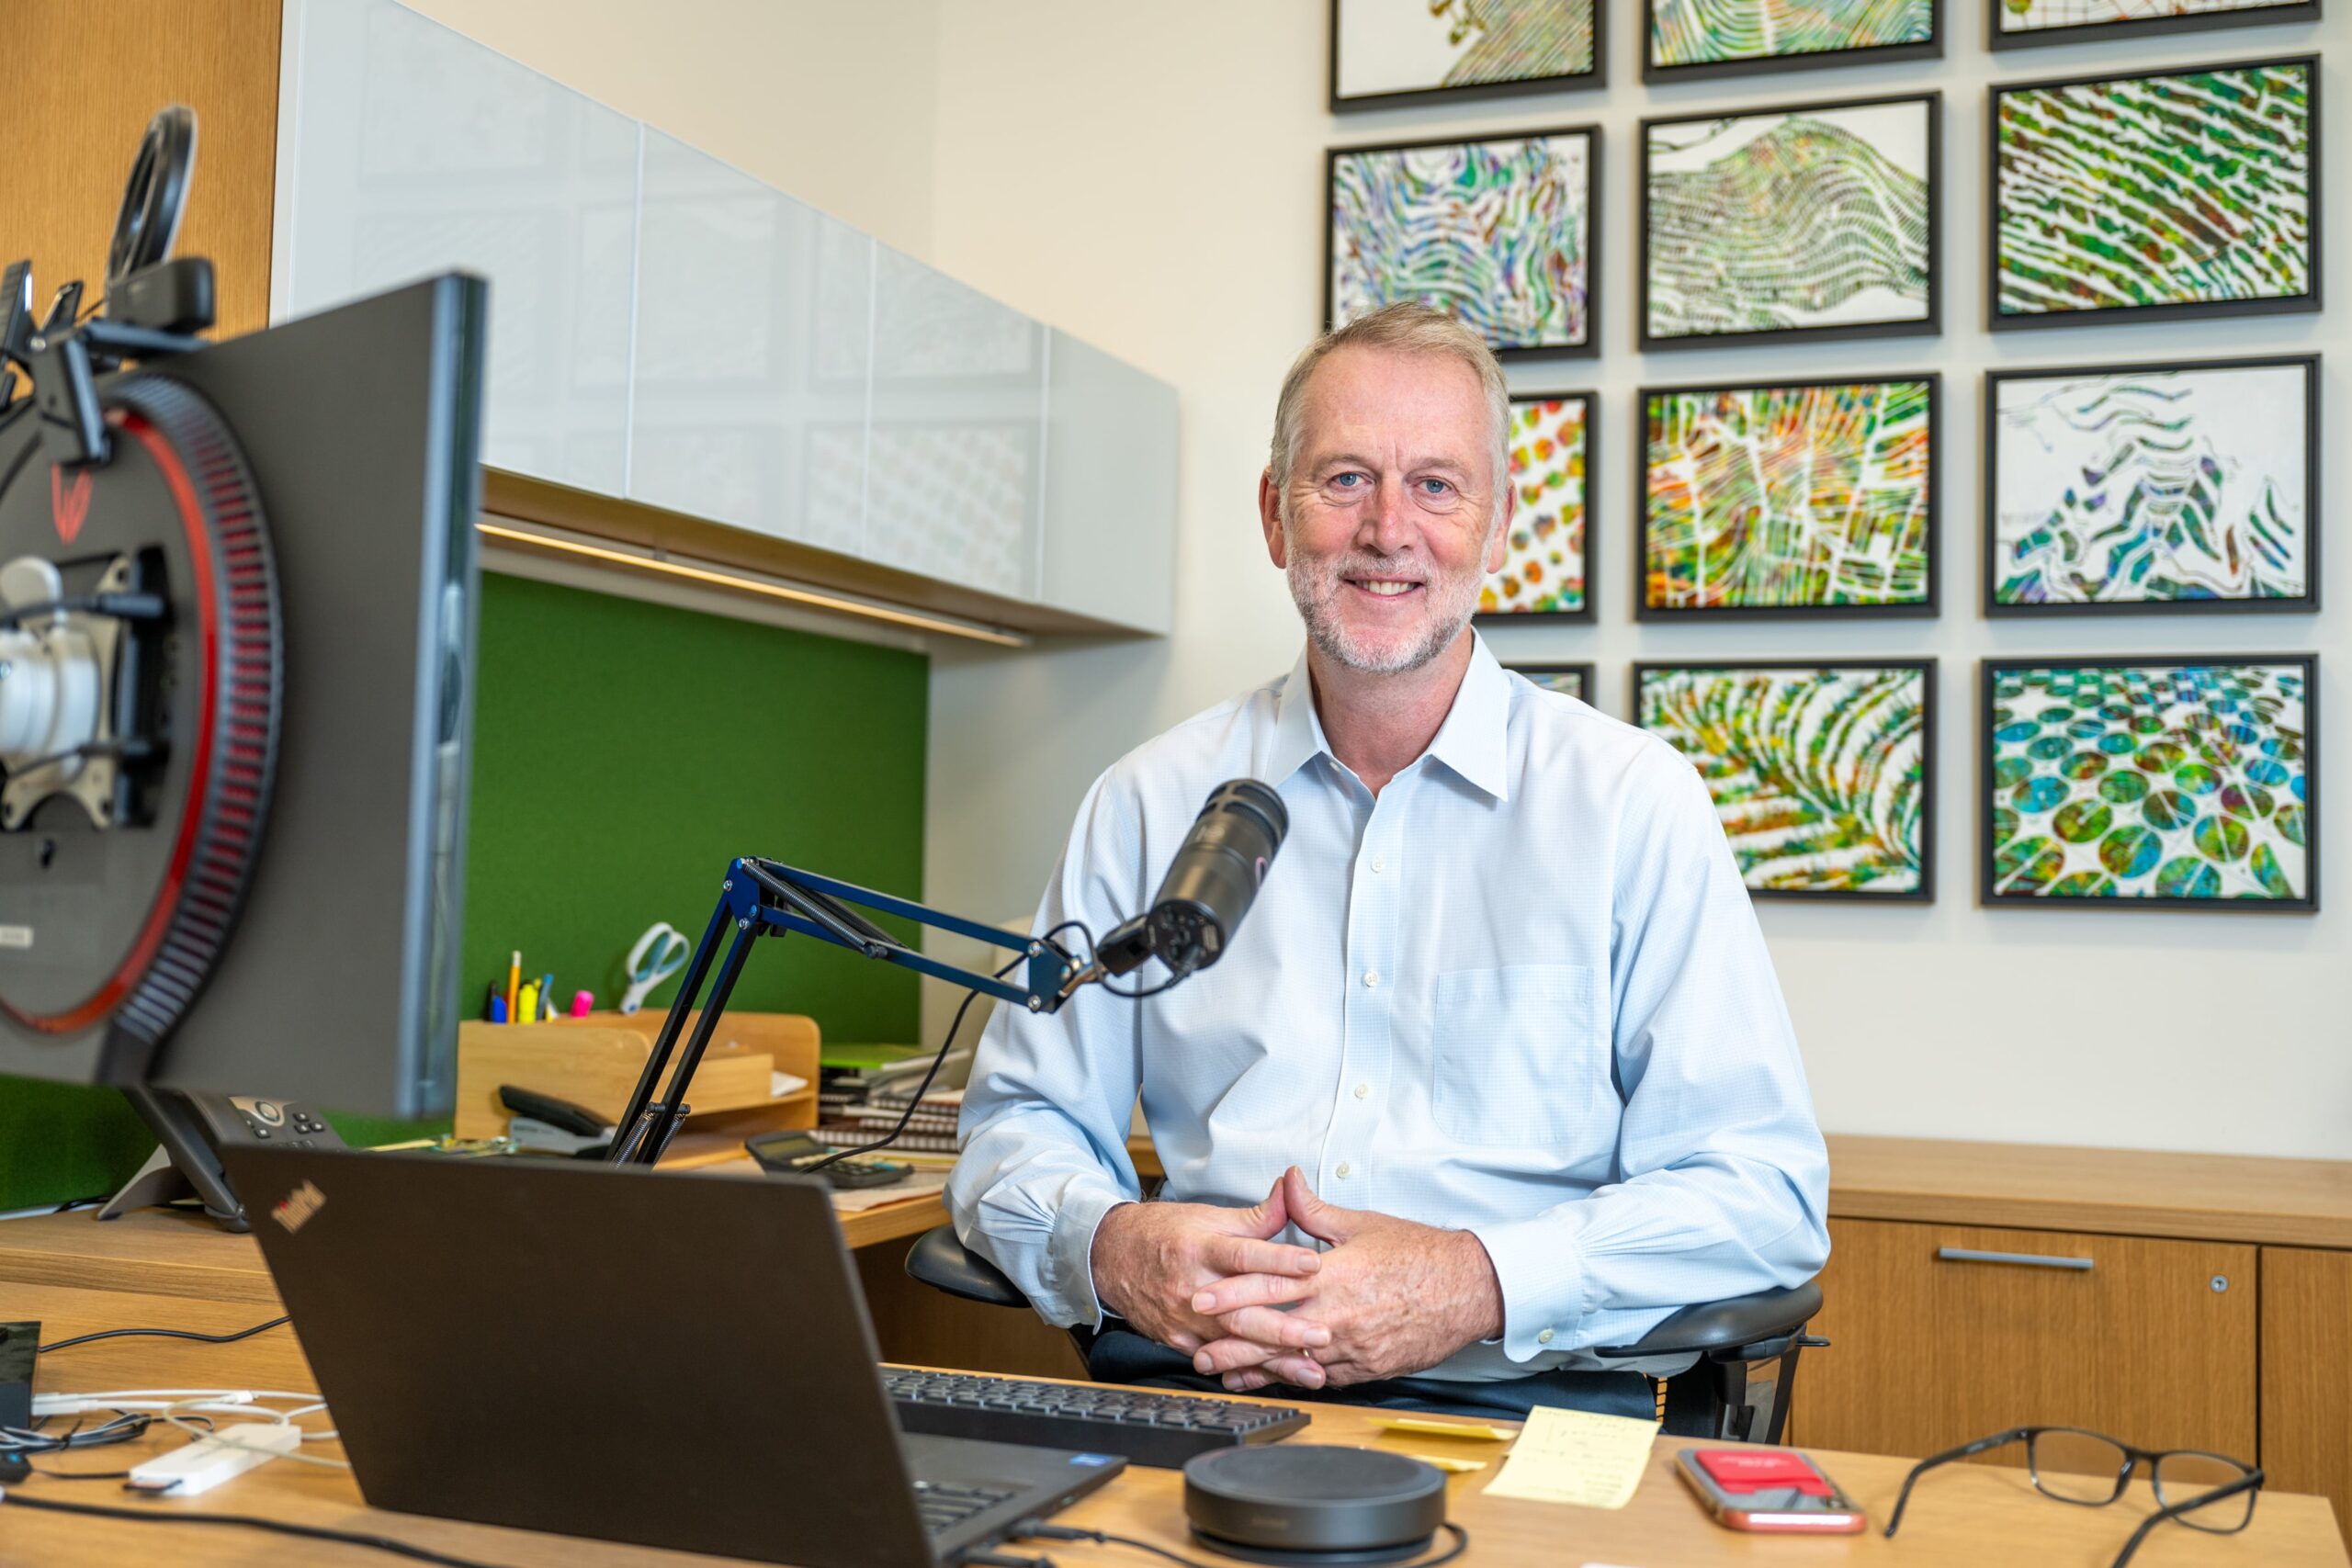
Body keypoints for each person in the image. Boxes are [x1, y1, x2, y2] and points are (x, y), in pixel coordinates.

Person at [947, 302, 1829, 1419]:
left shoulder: (1628, 805)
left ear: (1499, 523)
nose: (1387, 530)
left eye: (1436, 485)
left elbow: (1762, 1194)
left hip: (1528, 1404)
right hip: (1201, 1395)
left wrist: (1472, 1283)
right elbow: (1015, 1130)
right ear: (1276, 516)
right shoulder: (1147, 803)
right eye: (1345, 479)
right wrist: (1116, 1245)